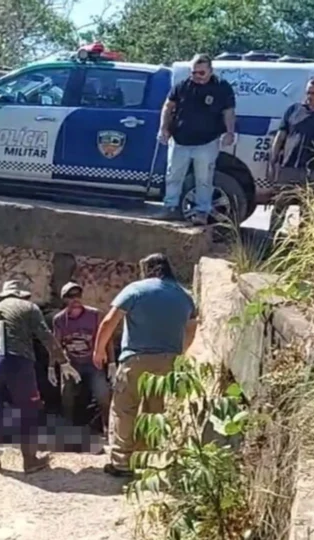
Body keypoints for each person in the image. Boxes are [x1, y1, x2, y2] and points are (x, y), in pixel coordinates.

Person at [93, 253, 198, 478]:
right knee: (154, 412)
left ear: (148, 269)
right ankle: (146, 459)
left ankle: (122, 463)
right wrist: (180, 353)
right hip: (168, 362)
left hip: (136, 359)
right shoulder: (185, 296)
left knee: (124, 409)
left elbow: (109, 321)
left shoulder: (136, 289)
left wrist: (99, 350)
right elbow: (191, 328)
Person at [0, 280, 80, 474]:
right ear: (23, 295)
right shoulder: (29, 307)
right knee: (28, 409)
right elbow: (46, 337)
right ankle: (30, 461)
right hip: (19, 361)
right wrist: (63, 362)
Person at [156, 53, 236, 225]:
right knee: (173, 175)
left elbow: (228, 112)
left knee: (204, 179)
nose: (197, 76)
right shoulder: (182, 86)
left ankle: (202, 212)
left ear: (210, 71)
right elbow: (168, 106)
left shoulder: (221, 87)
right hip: (180, 140)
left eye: (201, 73)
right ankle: (170, 208)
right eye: (194, 72)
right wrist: (163, 128)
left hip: (207, 141)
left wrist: (230, 132)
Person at [267, 75, 314, 236]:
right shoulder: (294, 110)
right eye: (308, 92)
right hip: (288, 168)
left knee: (307, 211)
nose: (310, 96)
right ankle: (269, 242)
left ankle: (302, 243)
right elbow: (280, 137)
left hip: (312, 171)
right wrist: (273, 162)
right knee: (279, 207)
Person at [51, 282, 112, 431]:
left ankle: (107, 427)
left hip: (93, 362)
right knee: (67, 394)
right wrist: (52, 366)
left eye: (78, 295)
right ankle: (68, 427)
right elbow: (56, 344)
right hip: (72, 363)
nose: (75, 299)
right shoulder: (59, 319)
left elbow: (107, 338)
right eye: (71, 296)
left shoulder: (94, 315)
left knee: (103, 395)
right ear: (64, 299)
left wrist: (112, 363)